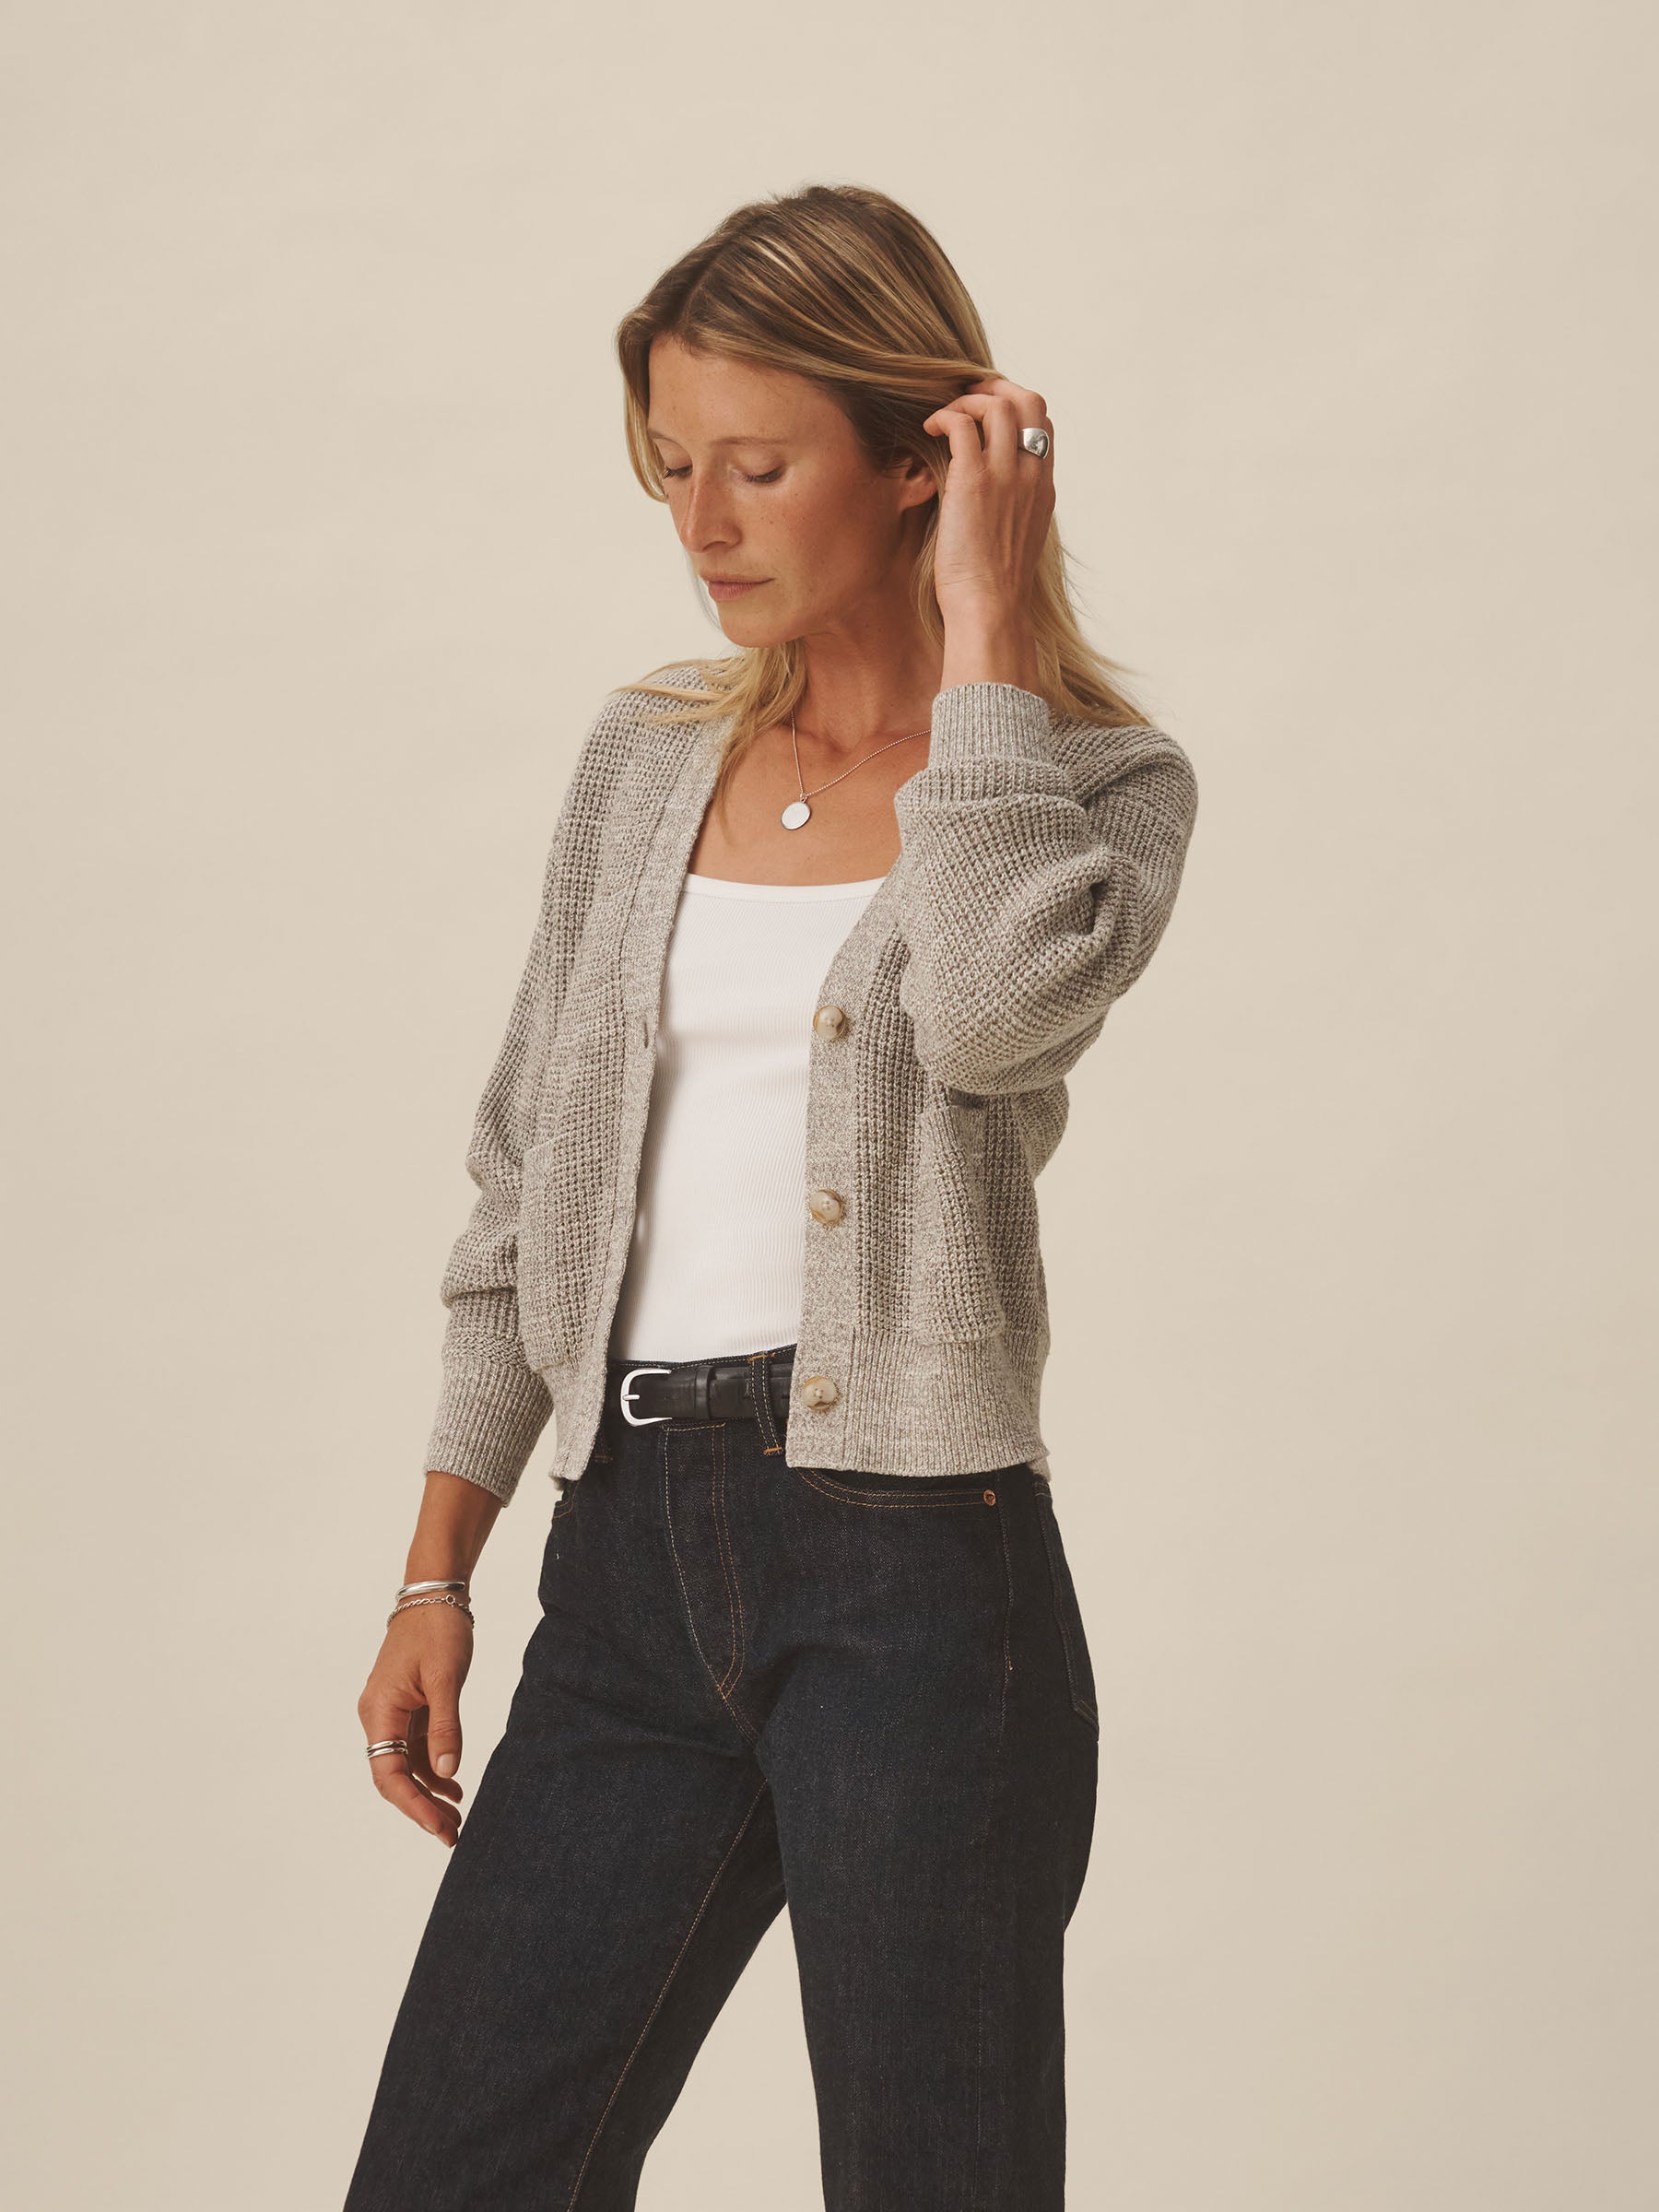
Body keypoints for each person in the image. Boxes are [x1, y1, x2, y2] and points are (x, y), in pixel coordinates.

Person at [344, 182, 1198, 2211]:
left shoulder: (1097, 790)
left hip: (920, 1581)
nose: (702, 522)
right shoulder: (642, 760)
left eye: (757, 465)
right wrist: (438, 1567)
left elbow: (986, 1018)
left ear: (920, 463)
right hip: (625, 1561)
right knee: (460, 2170)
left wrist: (987, 654)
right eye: (670, 467)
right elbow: (523, 1184)